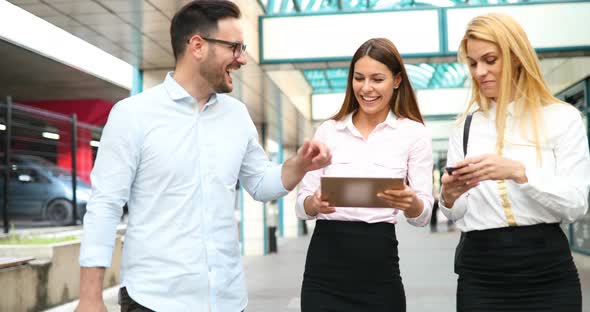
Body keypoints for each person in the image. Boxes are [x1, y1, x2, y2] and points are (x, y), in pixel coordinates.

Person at [75, 1, 331, 311]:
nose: (243, 59)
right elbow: (104, 205)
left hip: (226, 299)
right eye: (235, 47)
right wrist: (90, 299)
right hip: (153, 300)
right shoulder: (132, 116)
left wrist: (300, 164)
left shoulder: (237, 116)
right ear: (197, 46)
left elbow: (262, 184)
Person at [440, 13, 590, 311]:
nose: (479, 71)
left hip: (547, 270)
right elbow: (458, 212)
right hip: (480, 273)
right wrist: (449, 195)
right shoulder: (465, 127)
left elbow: (576, 206)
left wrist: (520, 173)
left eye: (490, 60)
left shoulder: (561, 118)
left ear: (516, 56)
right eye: (472, 63)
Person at [295, 38, 434, 312]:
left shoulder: (414, 134)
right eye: (359, 78)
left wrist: (411, 202)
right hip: (325, 267)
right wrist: (314, 203)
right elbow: (302, 205)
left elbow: (423, 215)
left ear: (396, 81)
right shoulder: (328, 131)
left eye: (377, 79)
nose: (366, 88)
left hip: (380, 268)